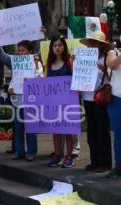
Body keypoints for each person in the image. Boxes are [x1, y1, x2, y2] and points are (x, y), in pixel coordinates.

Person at [0, 39, 43, 160]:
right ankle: (19, 151)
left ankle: (31, 152)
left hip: (31, 100)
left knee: (30, 127)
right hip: (17, 100)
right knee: (18, 126)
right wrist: (10, 89)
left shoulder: (35, 61)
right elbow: (13, 78)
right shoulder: (15, 63)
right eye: (19, 50)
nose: (21, 53)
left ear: (29, 51)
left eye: (23, 50)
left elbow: (40, 78)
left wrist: (31, 80)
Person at [79, 31, 112, 172]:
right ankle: (94, 161)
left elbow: (113, 77)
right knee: (91, 130)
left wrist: (106, 70)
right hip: (87, 97)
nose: (92, 44)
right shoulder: (84, 58)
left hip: (100, 98)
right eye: (91, 42)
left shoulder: (106, 59)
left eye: (95, 42)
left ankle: (105, 163)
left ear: (101, 45)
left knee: (102, 129)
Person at [46, 35, 75, 168]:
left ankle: (69, 156)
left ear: (64, 46)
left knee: (68, 129)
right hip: (53, 102)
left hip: (67, 102)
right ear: (52, 48)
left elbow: (75, 78)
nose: (57, 48)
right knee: (56, 129)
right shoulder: (49, 63)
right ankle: (58, 154)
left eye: (60, 45)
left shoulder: (69, 61)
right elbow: (46, 82)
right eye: (55, 45)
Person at [106, 41, 121, 178]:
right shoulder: (113, 53)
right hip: (117, 99)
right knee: (119, 134)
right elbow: (113, 65)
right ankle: (119, 166)